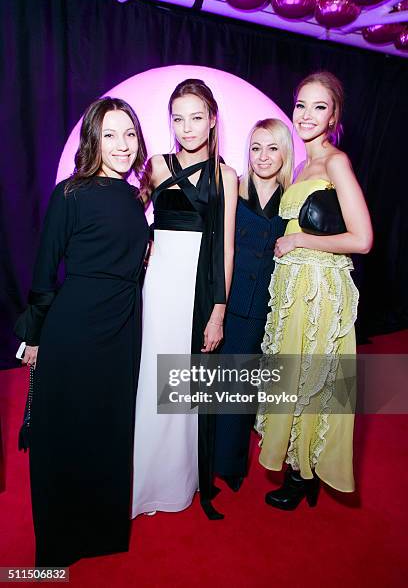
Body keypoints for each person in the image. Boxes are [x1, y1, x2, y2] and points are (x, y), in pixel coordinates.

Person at [15, 97, 149, 566]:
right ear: (92, 139)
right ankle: (58, 546)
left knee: (110, 430)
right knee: (65, 432)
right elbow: (43, 271)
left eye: (129, 134)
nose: (122, 145)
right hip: (74, 329)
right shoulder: (70, 193)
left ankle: (101, 531)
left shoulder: (136, 198)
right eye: (110, 134)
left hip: (123, 327)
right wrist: (34, 337)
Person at [256, 71, 373, 509]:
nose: (306, 114)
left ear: (334, 114)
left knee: (312, 379)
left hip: (321, 289)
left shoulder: (336, 162)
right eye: (301, 105)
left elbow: (362, 239)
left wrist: (301, 240)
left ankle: (305, 475)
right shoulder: (302, 164)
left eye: (318, 106)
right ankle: (298, 468)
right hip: (293, 286)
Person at [132, 78, 238, 520]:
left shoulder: (226, 175)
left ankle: (175, 481)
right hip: (156, 285)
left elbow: (225, 248)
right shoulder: (156, 164)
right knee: (148, 379)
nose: (187, 127)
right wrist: (146, 243)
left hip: (195, 290)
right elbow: (133, 220)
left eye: (197, 118)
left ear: (213, 119)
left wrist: (218, 312)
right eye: (178, 118)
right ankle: (142, 479)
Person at [213, 119, 292, 492]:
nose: (263, 156)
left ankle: (228, 463)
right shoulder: (233, 192)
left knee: (243, 391)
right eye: (256, 147)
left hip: (265, 307)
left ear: (284, 153)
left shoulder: (293, 202)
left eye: (272, 148)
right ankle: (207, 458)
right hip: (224, 304)